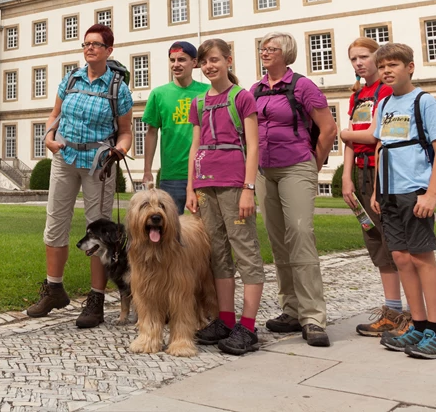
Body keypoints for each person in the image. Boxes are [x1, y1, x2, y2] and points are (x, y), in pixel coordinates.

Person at [26, 23, 134, 329]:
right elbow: (53, 116)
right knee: (54, 224)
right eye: (86, 43)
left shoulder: (118, 88)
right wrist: (49, 137)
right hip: (65, 157)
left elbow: (126, 132)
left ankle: (96, 300)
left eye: (97, 44)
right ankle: (54, 290)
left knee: (99, 233)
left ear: (109, 50)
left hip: (98, 164)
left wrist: (120, 150)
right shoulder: (71, 78)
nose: (90, 48)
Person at [252, 31, 337, 347]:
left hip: (296, 166)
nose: (265, 52)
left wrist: (313, 164)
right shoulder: (256, 89)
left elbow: (328, 129)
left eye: (271, 48)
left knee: (300, 234)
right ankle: (290, 310)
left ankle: (313, 316)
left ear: (286, 54)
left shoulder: (303, 86)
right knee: (278, 240)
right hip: (264, 172)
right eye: (263, 48)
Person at [370, 41, 436, 359]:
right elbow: (382, 147)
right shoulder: (385, 104)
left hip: (414, 190)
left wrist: (432, 194)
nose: (387, 70)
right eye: (383, 66)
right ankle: (417, 325)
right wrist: (378, 190)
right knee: (402, 259)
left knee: (422, 259)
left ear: (410, 67)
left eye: (393, 64)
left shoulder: (424, 101)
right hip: (389, 193)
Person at [186, 39, 264, 355]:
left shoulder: (241, 97)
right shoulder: (199, 103)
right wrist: (191, 188)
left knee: (245, 249)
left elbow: (254, 145)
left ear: (228, 60)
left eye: (215, 60)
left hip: (234, 184)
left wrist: (249, 188)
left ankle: (247, 325)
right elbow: (194, 146)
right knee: (217, 252)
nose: (209, 67)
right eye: (204, 62)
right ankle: (226, 319)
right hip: (205, 184)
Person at [340, 37, 407, 337]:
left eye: (364, 57)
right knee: (376, 240)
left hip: (384, 173)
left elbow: (379, 135)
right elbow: (355, 138)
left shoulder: (386, 92)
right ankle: (392, 310)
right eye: (354, 58)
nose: (358, 63)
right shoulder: (357, 96)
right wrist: (345, 176)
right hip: (361, 174)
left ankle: (412, 313)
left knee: (397, 243)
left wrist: (345, 133)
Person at [142, 41, 210, 213]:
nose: (176, 64)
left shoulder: (208, 91)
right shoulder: (159, 94)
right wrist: (147, 170)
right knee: (170, 233)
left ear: (194, 63)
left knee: (207, 231)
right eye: (172, 60)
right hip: (171, 175)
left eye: (182, 60)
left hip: (204, 172)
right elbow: (151, 133)